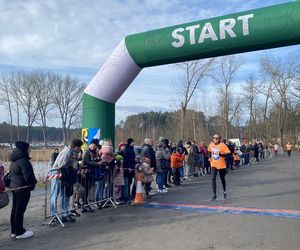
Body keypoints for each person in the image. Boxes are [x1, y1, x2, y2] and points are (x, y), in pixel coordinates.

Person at [50, 139, 82, 223]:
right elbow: (60, 165)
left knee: (64, 195)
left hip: (63, 176)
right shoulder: (67, 152)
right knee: (55, 195)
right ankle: (54, 215)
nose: (79, 150)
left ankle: (65, 214)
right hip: (57, 175)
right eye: (79, 148)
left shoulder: (70, 151)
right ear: (75, 147)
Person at [9, 141, 37, 239]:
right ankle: (19, 232)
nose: (30, 150)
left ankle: (14, 231)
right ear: (25, 149)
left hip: (15, 188)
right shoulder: (24, 161)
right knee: (19, 211)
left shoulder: (14, 160)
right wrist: (34, 182)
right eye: (29, 149)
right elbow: (28, 177)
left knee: (15, 210)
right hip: (22, 189)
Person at [208, 134, 231, 201]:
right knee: (213, 178)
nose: (215, 139)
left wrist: (222, 154)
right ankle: (214, 195)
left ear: (219, 139)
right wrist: (209, 157)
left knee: (222, 179)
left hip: (221, 165)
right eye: (214, 138)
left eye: (217, 138)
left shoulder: (222, 145)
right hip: (213, 164)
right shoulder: (211, 145)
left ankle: (224, 191)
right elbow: (209, 151)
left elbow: (229, 153)